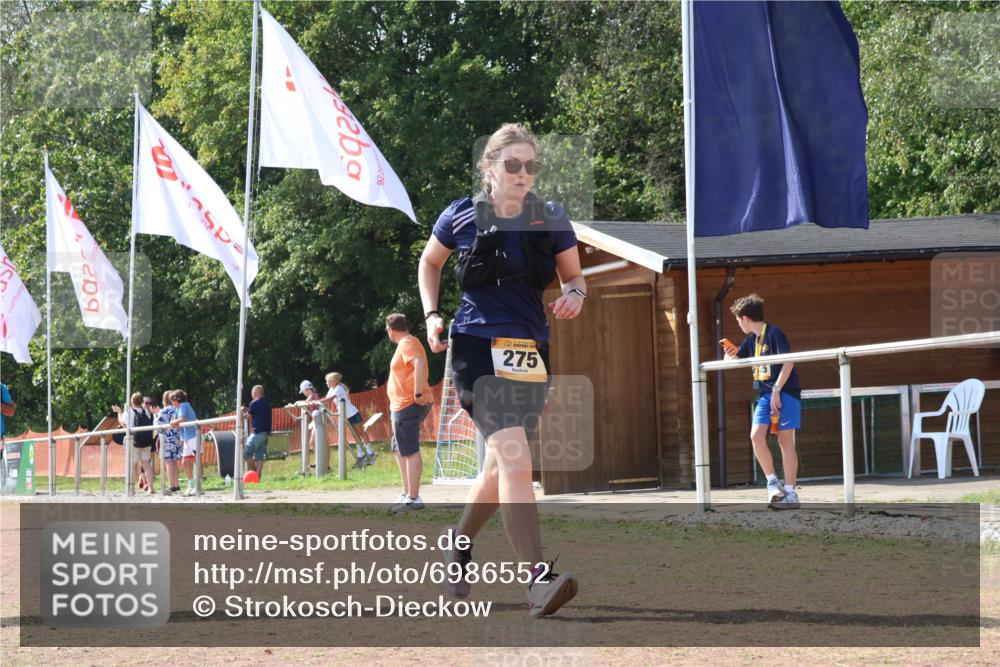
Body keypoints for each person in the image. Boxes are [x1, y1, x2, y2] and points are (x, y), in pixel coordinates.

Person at [417, 123, 586, 618]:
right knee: (514, 458)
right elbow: (431, 263)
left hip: (530, 350)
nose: (523, 173)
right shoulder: (461, 213)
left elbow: (573, 278)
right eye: (512, 164)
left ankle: (458, 541)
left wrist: (575, 294)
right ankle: (538, 580)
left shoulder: (550, 217)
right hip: (475, 346)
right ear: (488, 167)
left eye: (530, 165)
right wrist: (431, 314)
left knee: (499, 466)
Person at [725, 294, 802, 509]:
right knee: (756, 436)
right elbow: (734, 358)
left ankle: (790, 492)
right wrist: (728, 354)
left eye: (738, 320)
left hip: (785, 392)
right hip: (765, 395)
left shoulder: (775, 333)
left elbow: (789, 362)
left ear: (746, 318)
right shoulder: (751, 340)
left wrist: (777, 389)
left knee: (785, 441)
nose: (738, 324)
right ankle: (772, 484)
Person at [385, 313, 432, 512]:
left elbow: (419, 364)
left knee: (410, 449)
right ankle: (407, 493)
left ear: (391, 329)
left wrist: (418, 392)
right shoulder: (405, 343)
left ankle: (414, 498)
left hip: (407, 404)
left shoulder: (407, 343)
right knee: (398, 448)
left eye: (387, 330)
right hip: (400, 405)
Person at [325, 372, 375, 468]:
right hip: (345, 415)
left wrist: (314, 402)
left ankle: (370, 452)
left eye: (327, 381)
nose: (326, 383)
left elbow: (329, 400)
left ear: (333, 381)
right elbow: (326, 399)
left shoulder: (338, 388)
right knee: (355, 435)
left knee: (361, 433)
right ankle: (360, 455)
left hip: (352, 413)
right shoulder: (331, 389)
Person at [112, 392, 156, 495]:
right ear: (141, 401)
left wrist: (119, 412)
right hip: (146, 442)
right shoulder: (147, 412)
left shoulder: (130, 412)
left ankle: (132, 489)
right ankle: (151, 488)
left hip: (134, 442)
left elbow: (122, 423)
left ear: (131, 401)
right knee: (147, 466)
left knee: (133, 466)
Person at [169, 389, 199, 496]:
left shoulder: (184, 405)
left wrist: (173, 422)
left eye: (172, 400)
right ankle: (191, 485)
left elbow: (182, 418)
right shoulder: (177, 409)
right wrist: (175, 423)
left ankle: (198, 486)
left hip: (194, 436)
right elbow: (177, 424)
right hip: (186, 438)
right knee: (185, 462)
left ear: (177, 399)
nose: (172, 403)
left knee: (197, 460)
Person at [153, 389, 182, 495]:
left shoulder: (165, 410)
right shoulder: (177, 409)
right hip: (177, 438)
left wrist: (156, 414)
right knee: (174, 462)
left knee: (168, 463)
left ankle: (171, 486)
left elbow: (157, 425)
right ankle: (176, 485)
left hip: (167, 440)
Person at [243, 384, 271, 478]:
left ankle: (253, 474)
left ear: (255, 393)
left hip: (257, 433)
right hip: (266, 433)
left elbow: (248, 416)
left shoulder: (254, 403)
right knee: (259, 456)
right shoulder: (267, 403)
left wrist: (243, 412)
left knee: (246, 453)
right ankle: (257, 478)